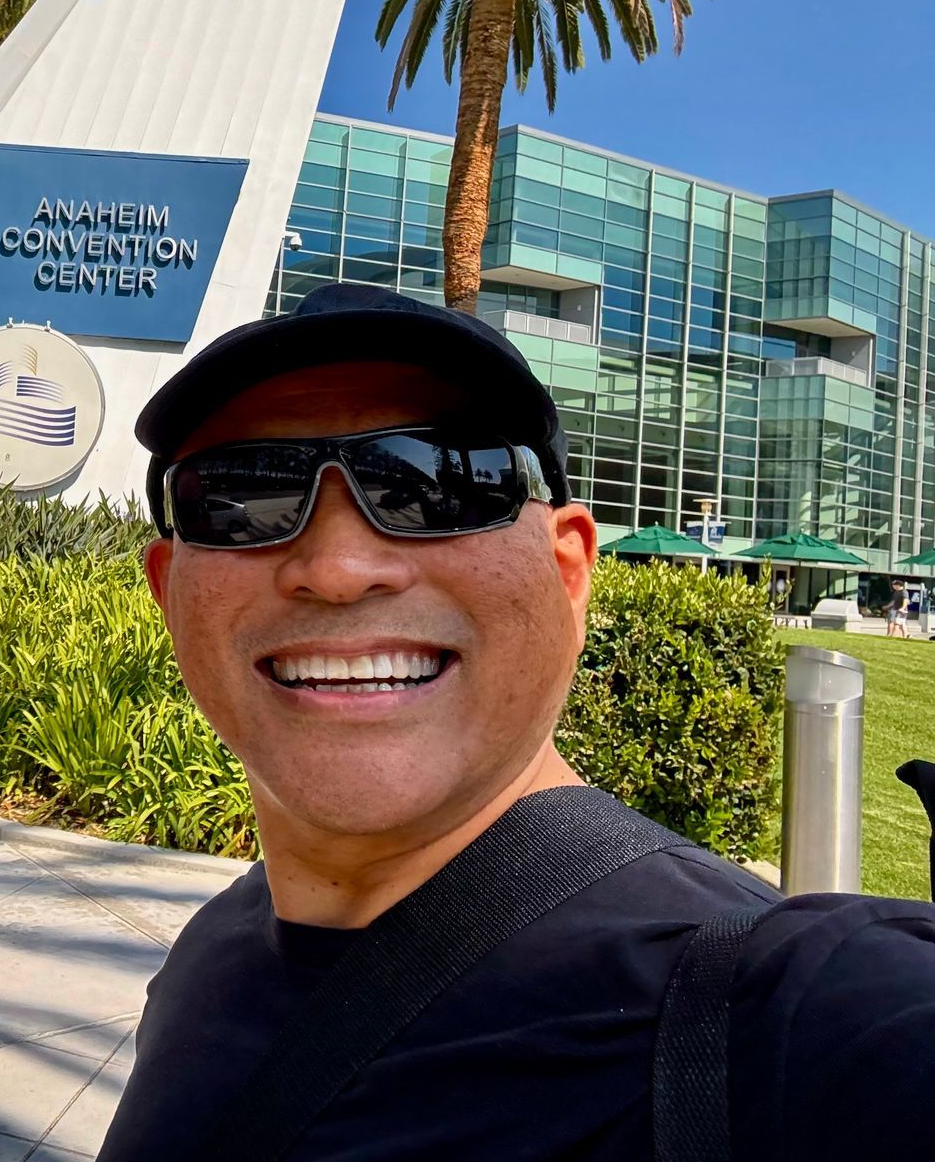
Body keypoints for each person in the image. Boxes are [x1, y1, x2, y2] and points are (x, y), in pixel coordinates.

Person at [99, 283, 935, 1161]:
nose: (337, 567)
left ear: (570, 573)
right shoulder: (212, 953)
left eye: (438, 483)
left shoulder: (764, 1010)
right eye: (239, 497)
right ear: (169, 593)